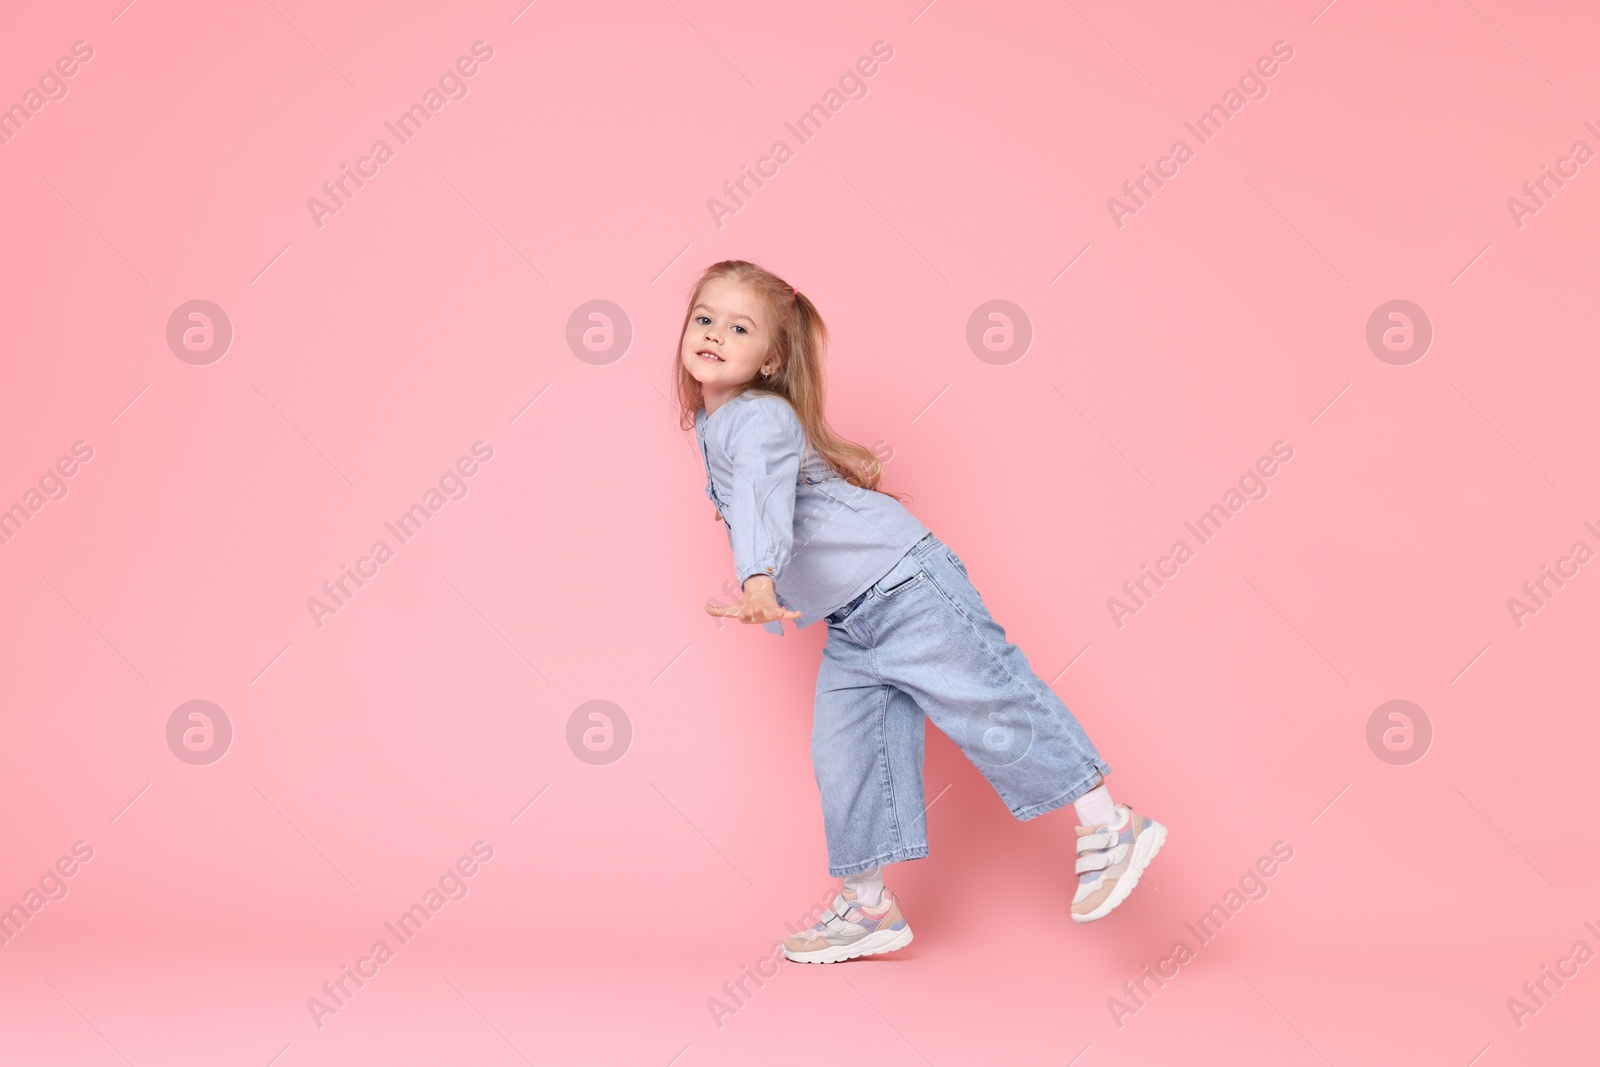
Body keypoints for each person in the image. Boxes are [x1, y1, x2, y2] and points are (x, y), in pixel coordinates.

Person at [677, 259, 1166, 964]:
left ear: (772, 358)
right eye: (704, 318)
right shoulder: (714, 422)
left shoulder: (758, 417)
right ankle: (869, 906)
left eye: (739, 326)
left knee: (987, 702)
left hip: (905, 586)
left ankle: (1109, 824)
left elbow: (759, 494)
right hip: (852, 620)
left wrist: (758, 579)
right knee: (845, 756)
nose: (715, 334)